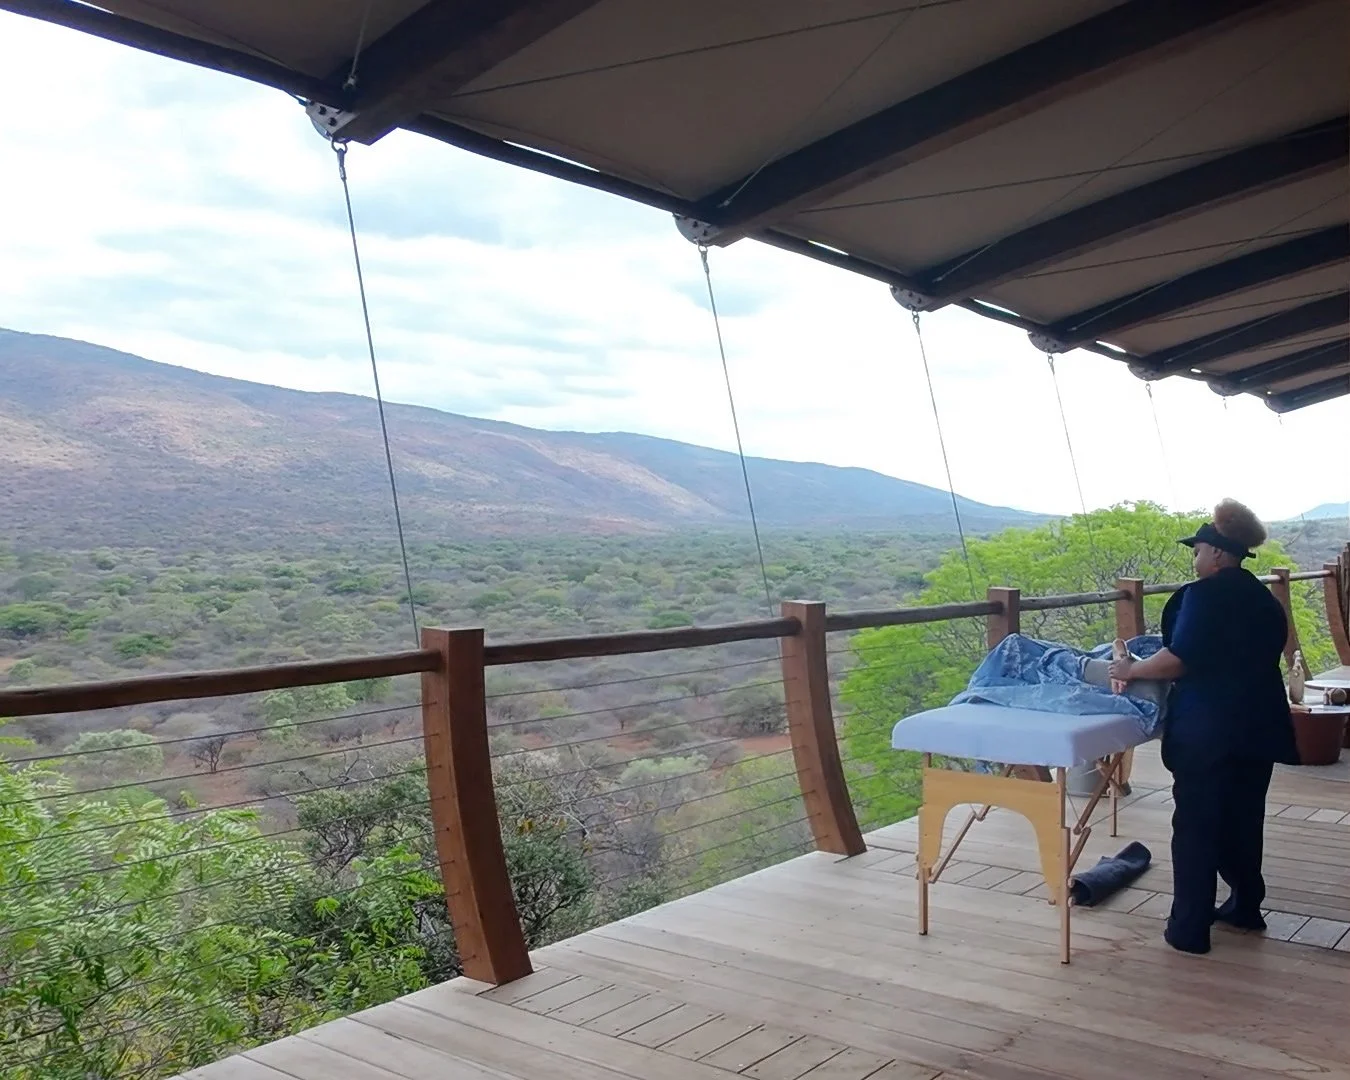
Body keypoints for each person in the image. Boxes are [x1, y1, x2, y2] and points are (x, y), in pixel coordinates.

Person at [1108, 499, 1297, 955]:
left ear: (1215, 552)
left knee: (1195, 825)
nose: (1194, 560)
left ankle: (1189, 929)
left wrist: (1129, 670)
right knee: (1244, 819)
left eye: (1197, 551)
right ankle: (1246, 907)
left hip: (1209, 730)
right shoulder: (1264, 599)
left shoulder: (1202, 596)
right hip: (1260, 725)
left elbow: (1178, 660)